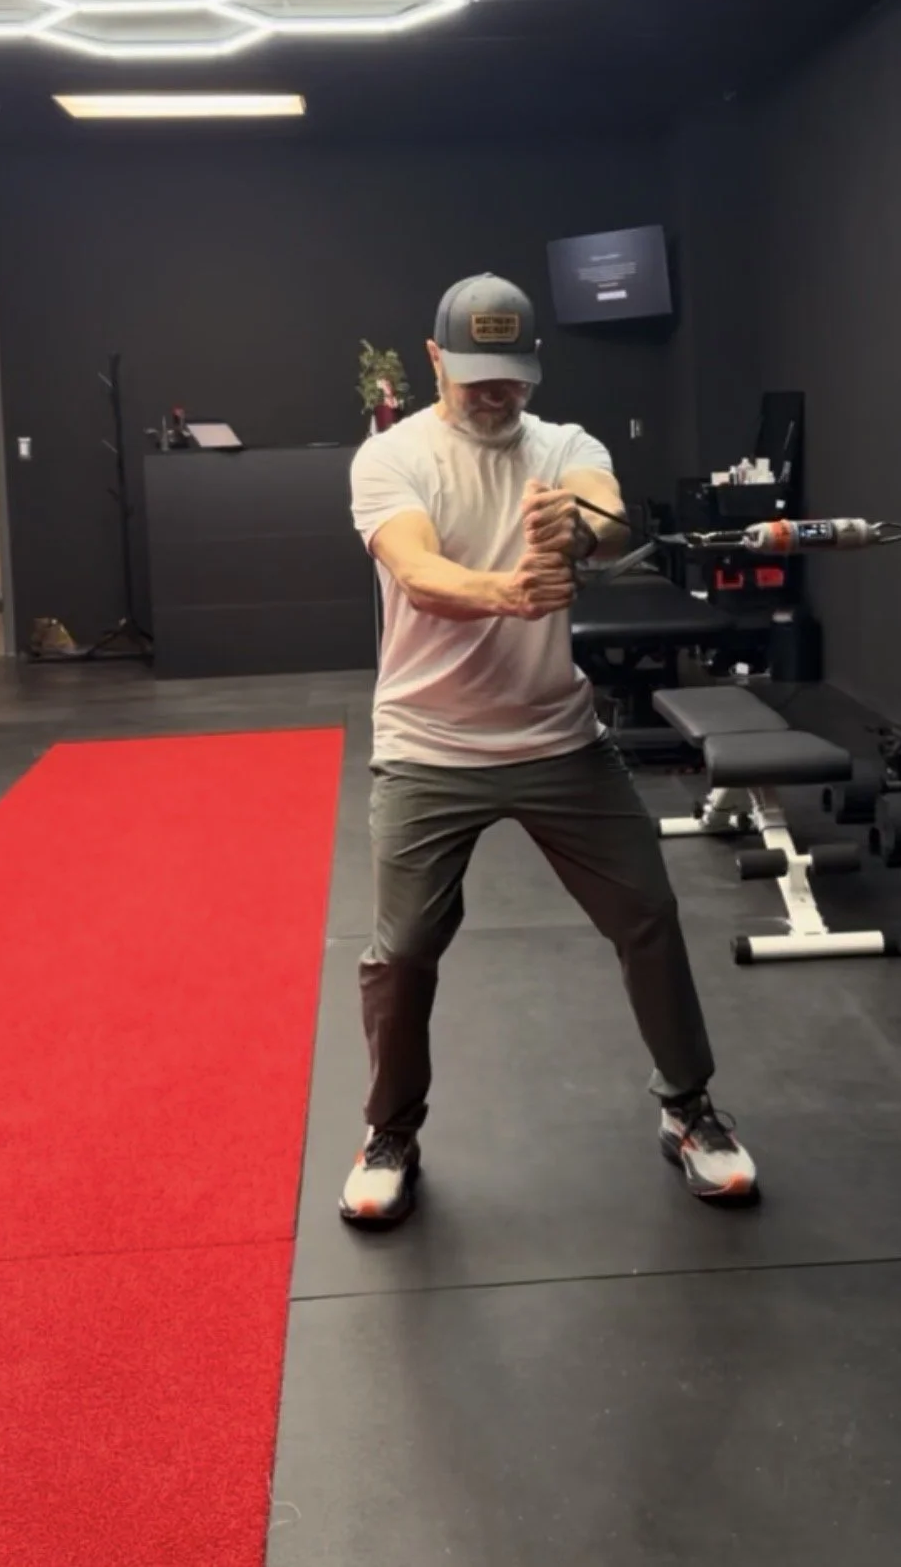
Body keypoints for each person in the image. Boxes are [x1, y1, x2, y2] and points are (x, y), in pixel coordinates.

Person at [342, 273, 757, 1226]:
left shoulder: (564, 444)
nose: (496, 395)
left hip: (558, 740)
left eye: (513, 377)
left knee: (648, 912)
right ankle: (390, 1131)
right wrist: (512, 591)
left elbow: (609, 518)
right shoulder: (391, 457)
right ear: (437, 358)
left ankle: (690, 1112)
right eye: (477, 374)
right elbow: (417, 568)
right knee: (402, 951)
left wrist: (579, 530)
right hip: (428, 746)